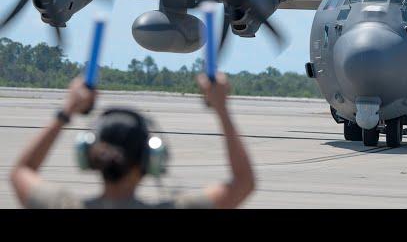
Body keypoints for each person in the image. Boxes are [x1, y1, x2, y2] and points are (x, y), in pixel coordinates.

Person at [10, 72, 255, 209]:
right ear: (151, 159)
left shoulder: (62, 205)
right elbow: (244, 182)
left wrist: (67, 111)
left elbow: (21, 171)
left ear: (88, 155)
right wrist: (221, 108)